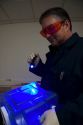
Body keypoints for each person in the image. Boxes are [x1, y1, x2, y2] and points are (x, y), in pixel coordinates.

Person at [28, 7, 83, 125]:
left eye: (51, 28)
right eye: (44, 32)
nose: (47, 35)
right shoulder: (54, 53)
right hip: (49, 111)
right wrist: (37, 65)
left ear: (66, 25)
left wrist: (61, 117)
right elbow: (52, 76)